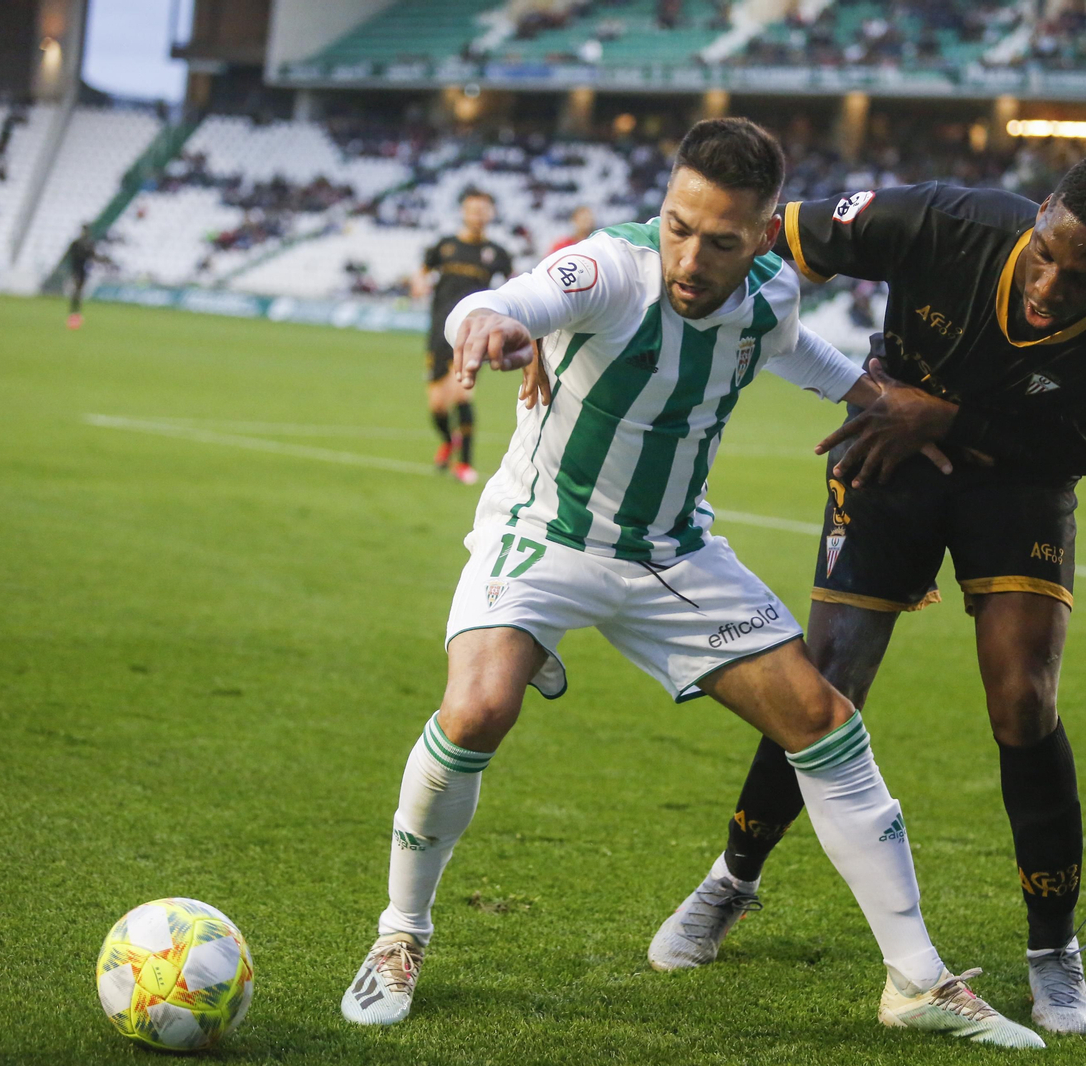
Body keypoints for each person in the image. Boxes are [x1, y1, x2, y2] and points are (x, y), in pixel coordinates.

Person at [339, 118, 1043, 1049]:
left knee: (825, 722)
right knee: (476, 711)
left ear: (761, 235)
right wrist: (492, 327)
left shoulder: (769, 297)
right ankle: (400, 938)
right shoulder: (608, 269)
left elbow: (797, 352)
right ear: (663, 208)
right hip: (545, 535)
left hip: (673, 555)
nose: (689, 256)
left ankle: (917, 980)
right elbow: (505, 299)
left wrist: (878, 401)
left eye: (719, 240)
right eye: (677, 225)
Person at [647, 155, 1086, 1038]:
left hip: (1020, 479)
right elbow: (771, 238)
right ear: (1037, 215)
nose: (1052, 283)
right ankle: (731, 880)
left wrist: (950, 419)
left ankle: (1053, 949)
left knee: (1024, 698)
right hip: (888, 448)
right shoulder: (947, 222)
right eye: (1047, 251)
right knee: (825, 684)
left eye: (1084, 274)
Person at [416, 188, 513, 485]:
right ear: (463, 212)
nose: (478, 215)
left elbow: (513, 285)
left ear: (492, 214)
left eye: (484, 210)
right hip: (438, 331)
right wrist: (419, 284)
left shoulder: (497, 253)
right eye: (473, 209)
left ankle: (465, 464)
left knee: (463, 394)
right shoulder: (444, 246)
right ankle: (448, 440)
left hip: (473, 333)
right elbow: (422, 271)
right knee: (437, 405)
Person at [63, 224, 101, 329]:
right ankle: (74, 313)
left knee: (78, 291)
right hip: (77, 269)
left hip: (82, 270)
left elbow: (92, 256)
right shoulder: (78, 243)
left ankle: (75, 312)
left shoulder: (86, 244)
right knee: (77, 291)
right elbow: (70, 255)